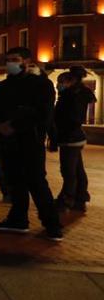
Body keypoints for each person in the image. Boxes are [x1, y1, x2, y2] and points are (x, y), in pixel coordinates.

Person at [0, 47, 63, 240]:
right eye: (8, 59)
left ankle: (52, 224)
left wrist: (15, 125)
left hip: (30, 141)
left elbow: (42, 114)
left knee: (36, 182)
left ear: (26, 61)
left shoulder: (41, 85)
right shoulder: (4, 86)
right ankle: (18, 219)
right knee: (15, 181)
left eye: (15, 59)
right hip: (8, 142)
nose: (10, 63)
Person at [52, 66, 96, 213]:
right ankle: (80, 197)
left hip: (70, 137)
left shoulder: (72, 96)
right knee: (77, 169)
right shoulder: (77, 94)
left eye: (61, 81)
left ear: (71, 80)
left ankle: (67, 199)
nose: (59, 85)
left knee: (68, 170)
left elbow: (70, 117)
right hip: (74, 136)